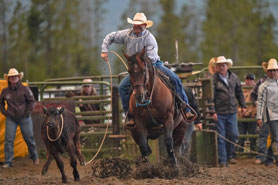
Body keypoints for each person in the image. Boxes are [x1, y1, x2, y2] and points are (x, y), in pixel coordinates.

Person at [101, 12, 193, 127]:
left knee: (175, 79)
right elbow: (111, 36)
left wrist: (139, 63)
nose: (137, 26)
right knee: (122, 87)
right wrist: (104, 50)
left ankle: (185, 107)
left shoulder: (150, 39)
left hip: (154, 66)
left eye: (139, 24)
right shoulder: (126, 34)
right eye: (135, 24)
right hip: (137, 70)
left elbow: (152, 58)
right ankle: (129, 114)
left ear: (144, 25)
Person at [209, 56, 246, 167]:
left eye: (223, 65)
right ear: (216, 67)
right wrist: (212, 111)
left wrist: (243, 106)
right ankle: (223, 160)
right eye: (219, 65)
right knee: (221, 136)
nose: (221, 67)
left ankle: (229, 156)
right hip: (219, 112)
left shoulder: (233, 77)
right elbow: (210, 97)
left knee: (233, 134)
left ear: (227, 66)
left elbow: (239, 92)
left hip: (232, 111)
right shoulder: (213, 79)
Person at [0, 68, 39, 168]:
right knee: (9, 139)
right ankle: (8, 161)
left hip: (24, 118)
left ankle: (34, 157)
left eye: (15, 76)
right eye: (11, 77)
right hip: (11, 118)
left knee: (29, 138)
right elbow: (1, 103)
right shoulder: (5, 91)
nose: (13, 78)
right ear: (8, 79)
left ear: (18, 77)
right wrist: (5, 112)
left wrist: (28, 112)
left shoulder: (25, 89)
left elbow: (32, 101)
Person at [256, 58, 278, 166]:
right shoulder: (264, 86)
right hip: (271, 114)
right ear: (267, 72)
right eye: (271, 71)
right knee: (276, 137)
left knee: (275, 137)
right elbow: (260, 102)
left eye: (275, 70)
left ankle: (269, 158)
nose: (273, 72)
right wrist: (259, 117)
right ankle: (274, 159)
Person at [181, 87, 202, 159]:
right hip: (177, 119)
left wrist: (198, 121)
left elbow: (194, 106)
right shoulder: (187, 90)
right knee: (183, 140)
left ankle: (184, 161)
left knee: (186, 140)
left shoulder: (187, 91)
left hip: (187, 119)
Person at [237, 73, 257, 152]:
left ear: (253, 81)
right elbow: (237, 103)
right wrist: (240, 112)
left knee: (253, 134)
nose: (249, 81)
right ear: (245, 80)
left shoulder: (256, 90)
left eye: (251, 79)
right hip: (242, 115)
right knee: (241, 134)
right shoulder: (241, 90)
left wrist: (253, 113)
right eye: (247, 79)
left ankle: (253, 150)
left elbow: (257, 104)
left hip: (252, 115)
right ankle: (240, 150)